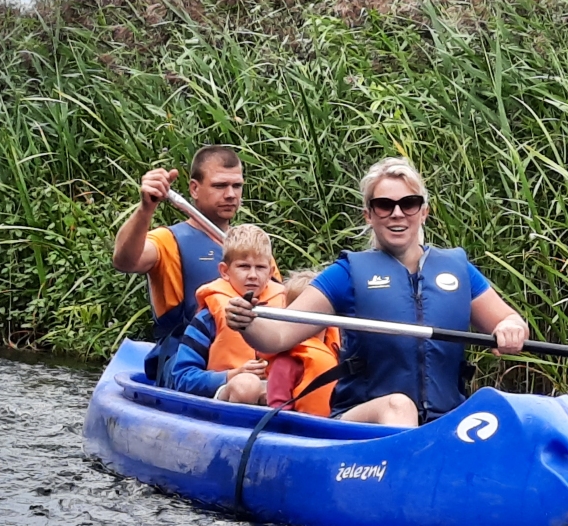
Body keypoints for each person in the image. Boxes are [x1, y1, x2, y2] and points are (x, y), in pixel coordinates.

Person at [225, 157, 529, 427]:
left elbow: (509, 320)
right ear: (369, 215)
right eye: (384, 205)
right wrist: (248, 322)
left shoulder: (458, 271)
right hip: (363, 422)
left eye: (408, 203)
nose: (397, 213)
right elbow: (277, 335)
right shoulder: (346, 275)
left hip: (442, 426)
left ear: (423, 211)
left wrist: (511, 328)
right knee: (399, 406)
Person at [112, 145, 244, 386]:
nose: (230, 194)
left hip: (241, 359)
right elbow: (125, 261)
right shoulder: (167, 240)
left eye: (236, 186)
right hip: (185, 363)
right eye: (219, 186)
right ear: (194, 188)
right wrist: (146, 209)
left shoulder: (249, 247)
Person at [169, 224, 287, 403]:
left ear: (271, 272)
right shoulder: (207, 318)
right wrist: (232, 375)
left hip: (272, 396)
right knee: (247, 386)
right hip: (225, 395)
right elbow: (182, 377)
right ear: (225, 271)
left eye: (260, 267)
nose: (253, 275)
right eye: (244, 266)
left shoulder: (286, 311)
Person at [265, 270, 342, 417]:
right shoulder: (287, 361)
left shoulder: (339, 350)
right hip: (302, 429)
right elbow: (277, 406)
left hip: (335, 422)